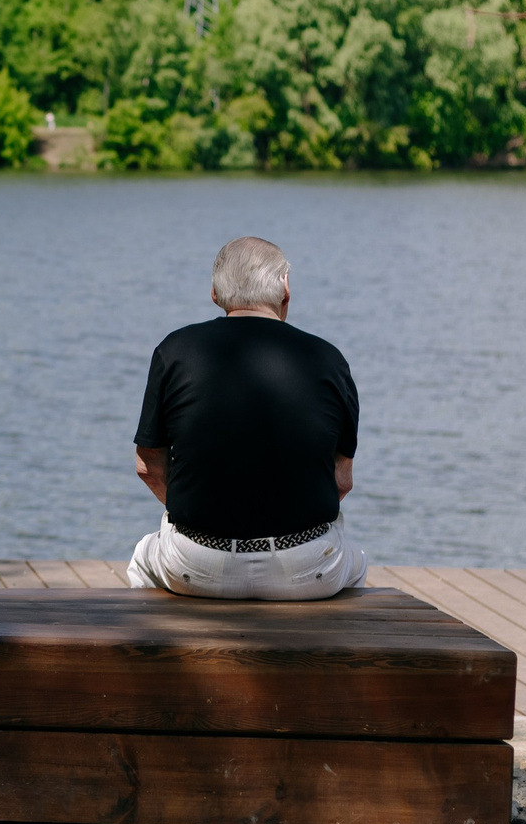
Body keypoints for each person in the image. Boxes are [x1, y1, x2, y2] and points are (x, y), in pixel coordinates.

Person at [124, 235, 368, 600]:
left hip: (197, 563)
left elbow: (148, 466)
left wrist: (206, 512)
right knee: (357, 563)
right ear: (285, 288)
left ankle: (160, 651)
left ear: (215, 293)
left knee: (142, 558)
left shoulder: (174, 350)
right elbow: (342, 481)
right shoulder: (330, 360)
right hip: (306, 567)